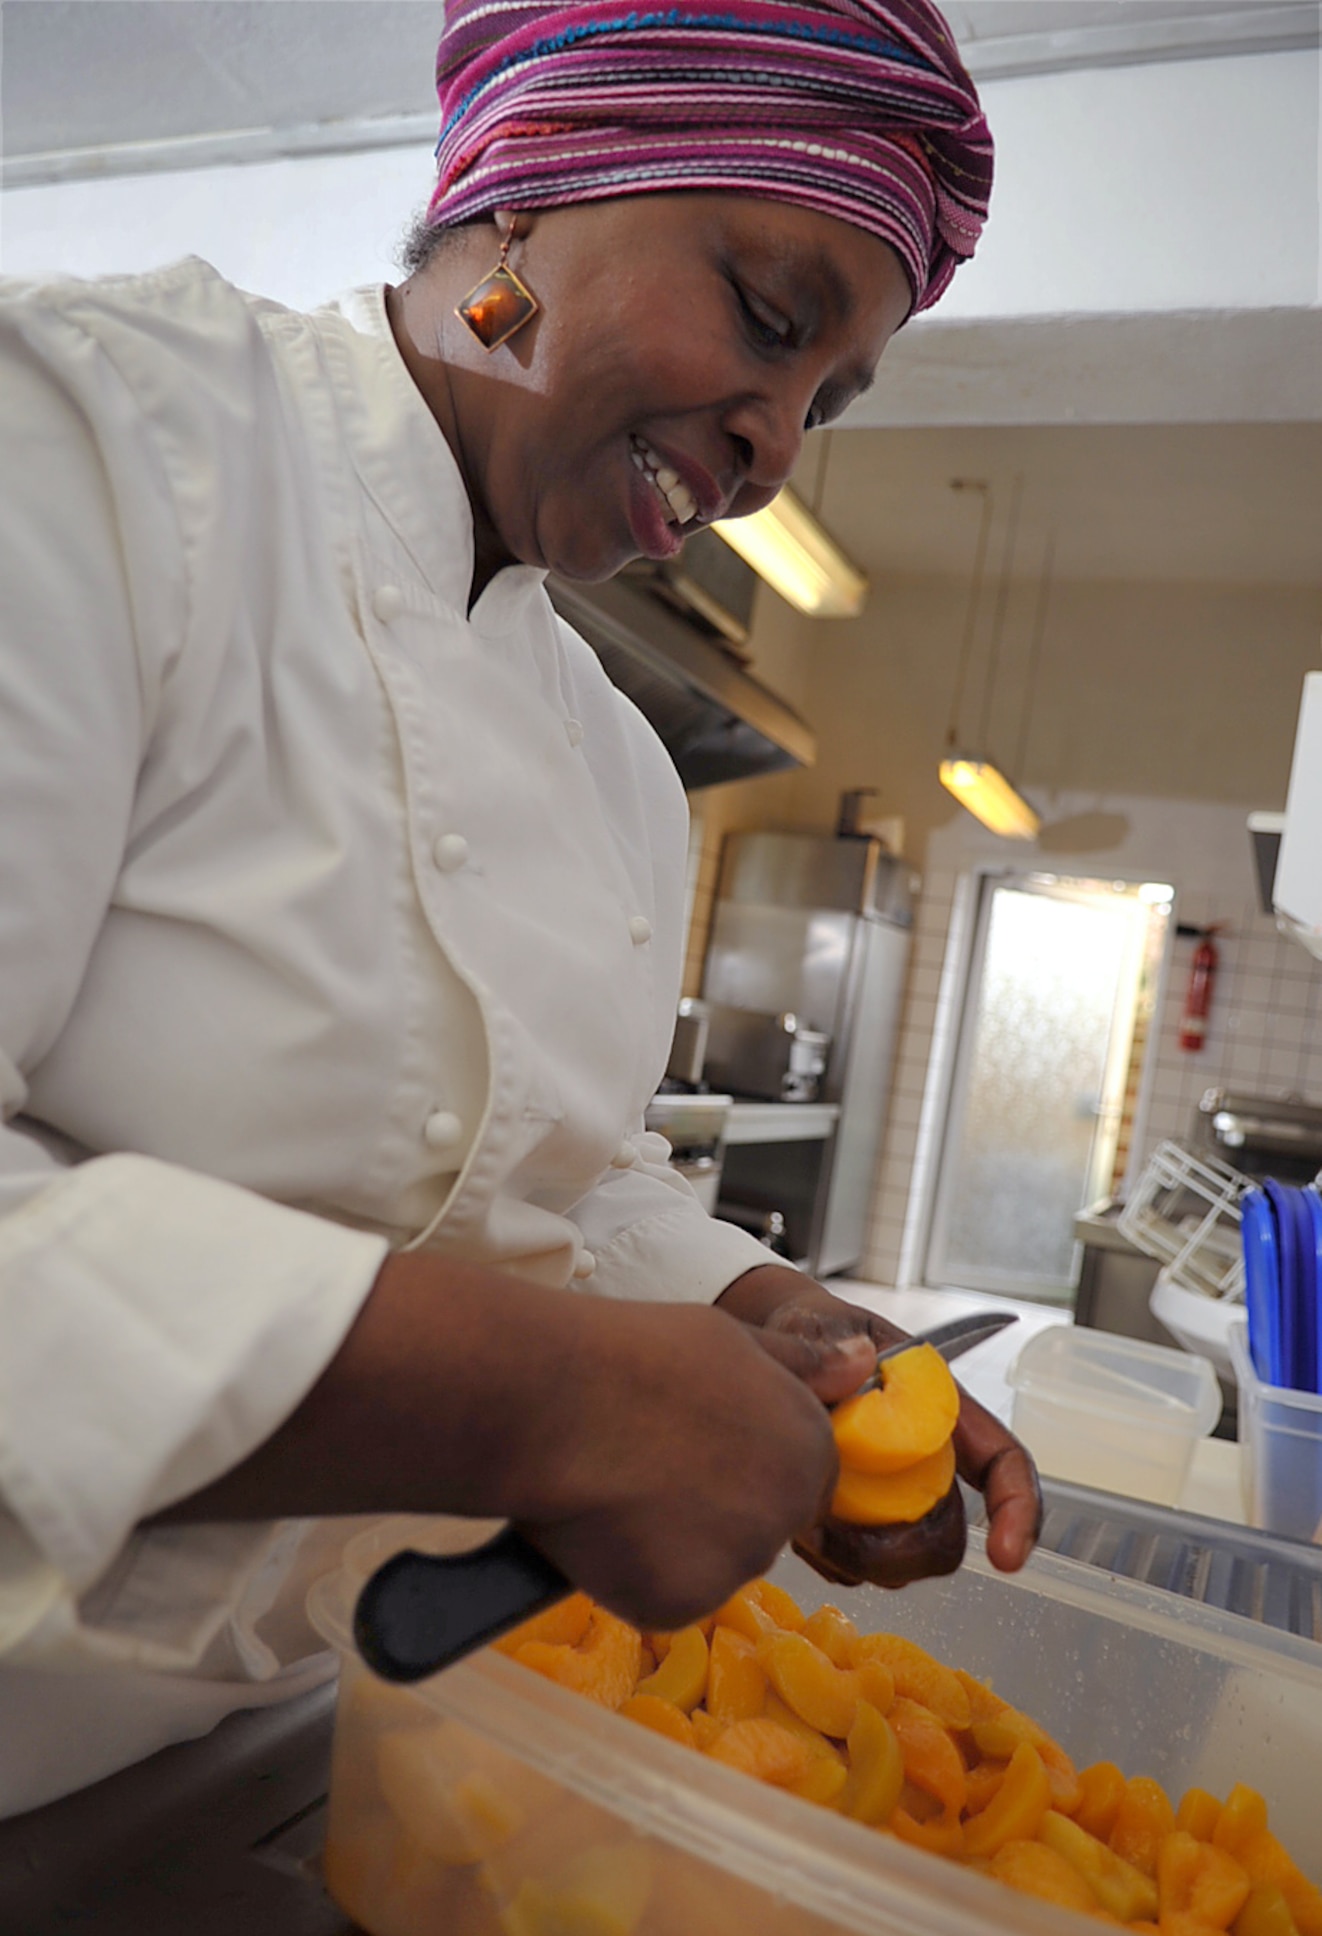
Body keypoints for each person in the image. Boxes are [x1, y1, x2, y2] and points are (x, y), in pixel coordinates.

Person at [0, 0, 1038, 1817]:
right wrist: (555, 1401)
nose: (779, 441)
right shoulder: (93, 444)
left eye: (826, 399)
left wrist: (759, 1313)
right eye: (772, 321)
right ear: (529, 195)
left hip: (266, 1736)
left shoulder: (620, 769)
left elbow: (555, 1171)